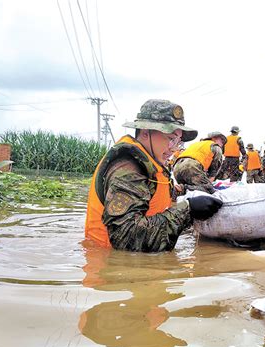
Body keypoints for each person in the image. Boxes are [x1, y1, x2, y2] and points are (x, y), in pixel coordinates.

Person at [85, 99, 223, 252]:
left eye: (178, 141)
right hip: (110, 266)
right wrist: (188, 210)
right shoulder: (128, 170)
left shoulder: (151, 164)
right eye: (171, 139)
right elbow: (126, 238)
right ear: (145, 133)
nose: (174, 149)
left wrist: (187, 191)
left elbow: (158, 193)